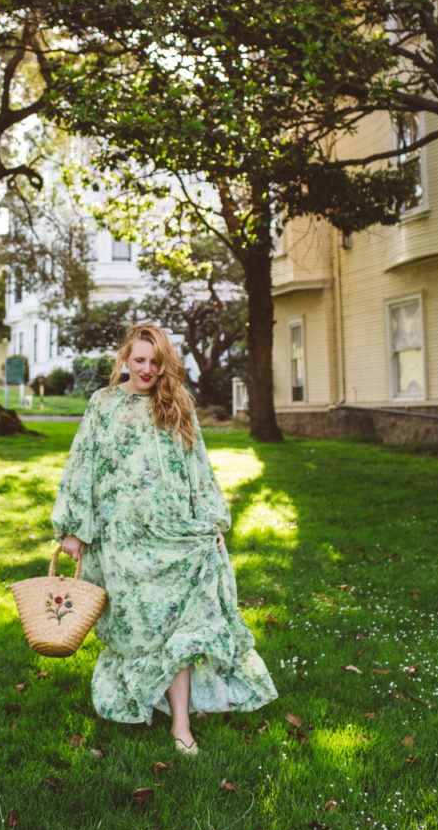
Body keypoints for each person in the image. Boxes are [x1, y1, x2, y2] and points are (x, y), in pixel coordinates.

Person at [51, 321, 278, 756]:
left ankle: (181, 724)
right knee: (136, 626)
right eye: (139, 360)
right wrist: (74, 529)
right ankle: (145, 697)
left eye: (156, 361)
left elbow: (198, 466)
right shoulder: (103, 405)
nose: (147, 369)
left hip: (171, 534)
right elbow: (81, 465)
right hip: (120, 540)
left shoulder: (177, 405)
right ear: (124, 359)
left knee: (179, 627)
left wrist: (209, 518)